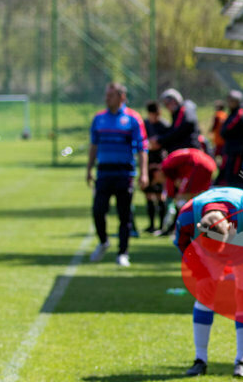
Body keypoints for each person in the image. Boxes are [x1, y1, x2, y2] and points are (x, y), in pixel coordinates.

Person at [174, 186, 243, 378]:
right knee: (205, 290)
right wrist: (200, 271)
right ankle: (200, 360)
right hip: (210, 247)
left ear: (229, 227)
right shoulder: (188, 216)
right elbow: (181, 243)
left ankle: (242, 361)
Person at [85, 82, 148, 267]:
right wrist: (89, 169)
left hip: (124, 173)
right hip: (104, 173)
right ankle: (103, 241)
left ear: (122, 97)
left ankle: (123, 253)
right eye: (106, 94)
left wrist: (143, 173)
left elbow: (142, 148)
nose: (106, 98)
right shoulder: (99, 119)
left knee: (124, 215)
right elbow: (93, 145)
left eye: (110, 95)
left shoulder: (133, 119)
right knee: (98, 211)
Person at [143, 101, 168, 233]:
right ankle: (151, 225)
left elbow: (167, 141)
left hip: (159, 162)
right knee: (148, 194)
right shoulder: (145, 124)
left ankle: (161, 225)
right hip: (147, 161)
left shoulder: (164, 125)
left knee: (160, 194)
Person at [217, 90, 243, 187]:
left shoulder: (239, 113)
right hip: (230, 149)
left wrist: (223, 131)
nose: (229, 103)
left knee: (234, 175)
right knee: (227, 173)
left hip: (237, 150)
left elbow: (226, 129)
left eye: (231, 100)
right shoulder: (233, 113)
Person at [154, 88, 202, 153]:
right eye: (166, 104)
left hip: (189, 150)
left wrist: (161, 139)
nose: (168, 106)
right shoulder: (177, 113)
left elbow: (181, 128)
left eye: (169, 102)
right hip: (182, 149)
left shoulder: (184, 108)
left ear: (176, 100)